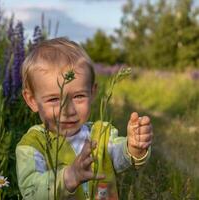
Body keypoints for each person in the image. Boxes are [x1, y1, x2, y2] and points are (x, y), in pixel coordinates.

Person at [16, 37, 153, 200]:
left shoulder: (101, 134)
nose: (67, 110)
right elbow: (31, 193)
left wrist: (134, 147)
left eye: (78, 96)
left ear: (92, 92)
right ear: (32, 101)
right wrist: (69, 177)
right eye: (54, 99)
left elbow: (121, 157)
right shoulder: (33, 145)